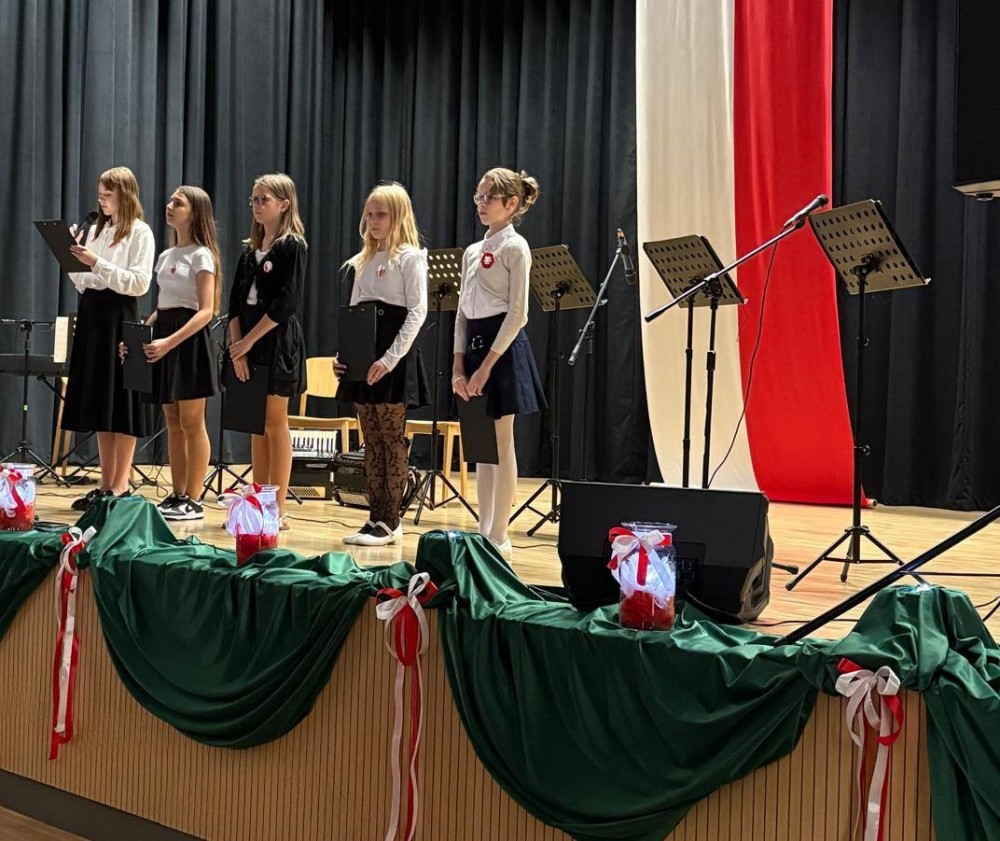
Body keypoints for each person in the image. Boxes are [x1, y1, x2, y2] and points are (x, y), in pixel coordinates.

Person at [452, 167, 546, 558]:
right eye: (479, 196)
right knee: (481, 446)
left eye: (489, 197)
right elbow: (462, 311)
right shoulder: (472, 252)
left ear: (512, 203)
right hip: (474, 347)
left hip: (501, 350)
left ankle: (499, 533)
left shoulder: (515, 247)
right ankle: (483, 528)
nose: (481, 203)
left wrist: (487, 365)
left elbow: (518, 313)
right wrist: (459, 365)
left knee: (501, 440)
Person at [335, 182, 429, 547]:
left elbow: (417, 312)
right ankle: (374, 516)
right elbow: (354, 314)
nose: (373, 221)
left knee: (391, 438)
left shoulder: (410, 257)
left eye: (381, 215)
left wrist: (390, 359)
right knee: (371, 439)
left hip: (393, 357)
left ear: (398, 216)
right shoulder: (363, 261)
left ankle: (391, 519)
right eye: (369, 214)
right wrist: (344, 357)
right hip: (364, 356)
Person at [128, 186, 222, 521]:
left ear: (195, 213)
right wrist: (141, 336)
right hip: (165, 334)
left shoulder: (202, 255)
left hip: (189, 340)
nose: (169, 206)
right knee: (172, 421)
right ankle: (177, 493)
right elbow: (162, 307)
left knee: (192, 422)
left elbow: (206, 310)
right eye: (170, 201)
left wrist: (170, 342)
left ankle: (194, 498)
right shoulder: (166, 256)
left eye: (178, 203)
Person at [66, 166, 155, 510]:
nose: (101, 201)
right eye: (99, 195)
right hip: (93, 314)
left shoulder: (140, 232)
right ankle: (105, 484)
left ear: (125, 195)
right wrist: (72, 256)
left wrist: (97, 263)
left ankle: (121, 485)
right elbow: (83, 282)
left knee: (123, 399)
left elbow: (139, 283)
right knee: (101, 398)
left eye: (108, 195)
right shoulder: (97, 230)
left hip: (121, 314)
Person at [227, 173, 308, 528]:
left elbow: (286, 302)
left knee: (275, 422)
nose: (257, 206)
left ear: (284, 204)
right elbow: (233, 304)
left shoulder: (292, 246)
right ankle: (257, 500)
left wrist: (249, 341)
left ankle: (277, 505)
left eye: (264, 200)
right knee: (255, 424)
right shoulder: (249, 252)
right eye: (254, 200)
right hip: (247, 342)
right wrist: (238, 348)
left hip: (275, 340)